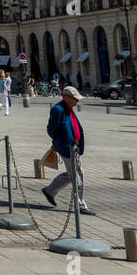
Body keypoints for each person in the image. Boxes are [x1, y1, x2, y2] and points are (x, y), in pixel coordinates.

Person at [42, 86, 94, 215]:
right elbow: (51, 129)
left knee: (73, 174)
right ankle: (80, 205)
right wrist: (56, 142)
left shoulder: (68, 108)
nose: (77, 102)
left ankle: (50, 191)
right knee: (77, 176)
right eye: (75, 99)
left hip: (74, 146)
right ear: (66, 97)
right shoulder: (58, 110)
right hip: (67, 147)